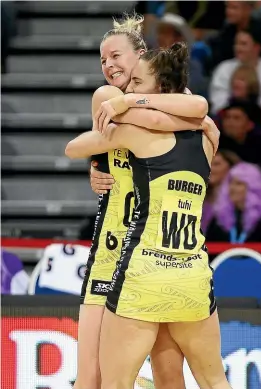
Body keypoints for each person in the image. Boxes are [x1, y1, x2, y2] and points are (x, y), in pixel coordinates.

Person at [66, 42, 230, 389]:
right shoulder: (207, 134)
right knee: (206, 380)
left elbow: (75, 146)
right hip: (190, 274)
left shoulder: (133, 124)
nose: (109, 66)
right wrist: (97, 165)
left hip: (140, 267)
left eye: (116, 56)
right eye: (102, 59)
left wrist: (125, 107)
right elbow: (195, 110)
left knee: (113, 381)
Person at [209, 27, 261, 124]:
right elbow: (218, 102)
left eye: (243, 44)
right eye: (236, 43)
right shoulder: (223, 68)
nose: (238, 48)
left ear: (257, 47)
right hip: (228, 123)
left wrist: (248, 116)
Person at [207, 162, 261, 242]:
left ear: (253, 188)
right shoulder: (219, 220)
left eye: (238, 184)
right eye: (230, 183)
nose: (232, 188)